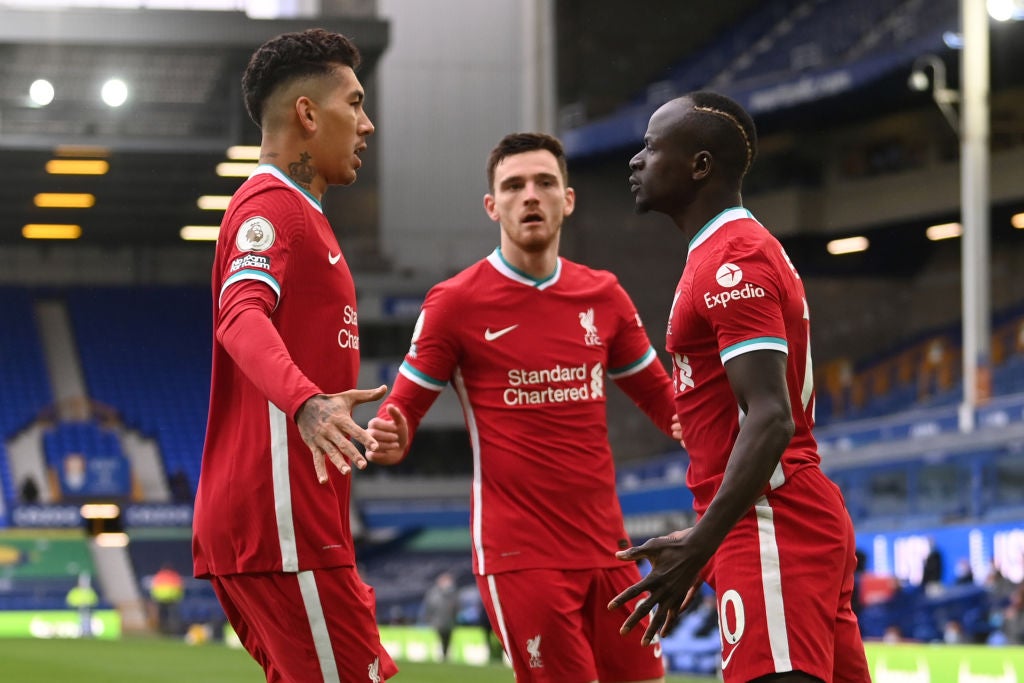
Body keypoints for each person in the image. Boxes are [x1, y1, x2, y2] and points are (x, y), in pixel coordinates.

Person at [366, 132, 676, 682]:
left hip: (612, 553)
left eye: (544, 183)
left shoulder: (603, 295)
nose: (529, 195)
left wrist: (737, 417)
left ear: (568, 199)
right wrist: (389, 437)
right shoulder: (455, 302)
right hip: (521, 556)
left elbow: (667, 405)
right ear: (492, 206)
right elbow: (402, 415)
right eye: (513, 186)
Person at [610, 91, 871, 683]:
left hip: (772, 521)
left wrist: (700, 541)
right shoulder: (719, 255)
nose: (636, 161)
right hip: (776, 520)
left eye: (652, 147)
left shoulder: (734, 261)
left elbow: (771, 417)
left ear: (700, 166)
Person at [190, 28, 397, 683]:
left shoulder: (303, 213)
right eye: (355, 104)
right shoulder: (272, 204)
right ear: (308, 113)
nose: (367, 124)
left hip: (292, 525)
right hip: (285, 527)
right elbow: (240, 316)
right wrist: (306, 400)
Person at [422, 571, 460, 661]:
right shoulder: (434, 594)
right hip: (438, 622)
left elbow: (456, 608)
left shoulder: (453, 594)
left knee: (447, 640)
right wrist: (428, 618)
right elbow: (429, 607)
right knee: (440, 639)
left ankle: (445, 656)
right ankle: (441, 656)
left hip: (449, 622)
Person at [149, 564, 185, 635]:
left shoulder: (159, 575)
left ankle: (163, 631)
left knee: (163, 616)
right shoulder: (174, 576)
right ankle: (172, 631)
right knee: (171, 617)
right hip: (172, 599)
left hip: (161, 599)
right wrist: (179, 598)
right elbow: (180, 588)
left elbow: (153, 588)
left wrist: (154, 598)